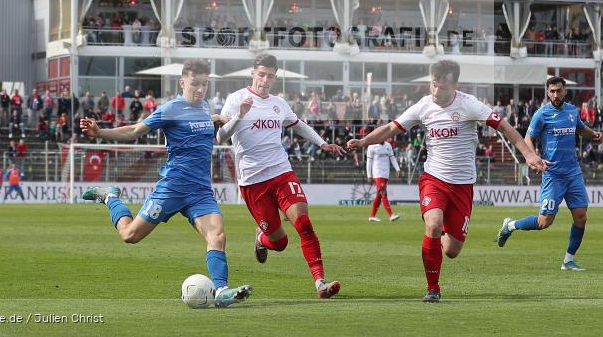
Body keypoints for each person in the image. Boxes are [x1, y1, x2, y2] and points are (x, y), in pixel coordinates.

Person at [347, 60, 545, 302]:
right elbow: (391, 128)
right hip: (434, 179)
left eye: (442, 87)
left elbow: (505, 128)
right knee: (433, 224)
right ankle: (433, 288)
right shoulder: (423, 106)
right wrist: (363, 141)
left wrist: (528, 154)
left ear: (455, 85)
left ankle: (435, 246)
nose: (436, 91)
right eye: (433, 85)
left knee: (451, 250)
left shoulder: (470, 104)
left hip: (462, 185)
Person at [79, 58, 251, 308]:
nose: (200, 90)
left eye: (204, 85)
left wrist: (217, 117)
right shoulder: (170, 109)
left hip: (200, 191)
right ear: (182, 82)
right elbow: (136, 131)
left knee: (217, 234)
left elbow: (201, 118)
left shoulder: (203, 106)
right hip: (172, 187)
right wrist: (101, 132)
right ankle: (110, 197)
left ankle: (222, 290)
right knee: (130, 235)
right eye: (194, 84)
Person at [217, 54, 345, 300]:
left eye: (270, 76)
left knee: (304, 223)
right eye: (261, 74)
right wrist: (240, 116)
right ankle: (262, 239)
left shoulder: (278, 103)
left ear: (275, 77)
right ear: (253, 73)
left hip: (281, 172)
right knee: (280, 243)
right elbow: (220, 137)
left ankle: (320, 283)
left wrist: (322, 143)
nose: (265, 80)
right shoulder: (235, 100)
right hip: (253, 182)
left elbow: (298, 125)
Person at [495, 77, 602, 271]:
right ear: (547, 92)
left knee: (581, 216)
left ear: (565, 91)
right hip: (553, 174)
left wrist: (593, 134)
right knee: (544, 222)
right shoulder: (541, 114)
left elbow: (579, 128)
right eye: (552, 91)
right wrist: (534, 157)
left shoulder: (572, 111)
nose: (555, 94)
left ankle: (568, 260)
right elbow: (528, 138)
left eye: (558, 90)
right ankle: (510, 225)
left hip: (573, 172)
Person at [366, 139, 401, 222]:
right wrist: (369, 176)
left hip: (386, 173)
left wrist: (397, 168)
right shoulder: (371, 147)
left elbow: (392, 157)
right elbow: (369, 162)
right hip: (377, 173)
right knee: (383, 192)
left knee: (379, 195)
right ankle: (391, 215)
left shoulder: (388, 145)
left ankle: (372, 216)